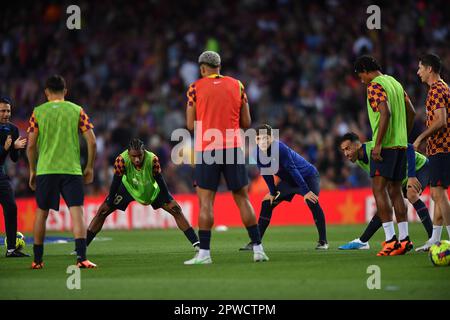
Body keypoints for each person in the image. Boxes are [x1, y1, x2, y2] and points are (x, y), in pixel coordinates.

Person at [184, 51, 269, 264]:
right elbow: (247, 122)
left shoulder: (195, 88)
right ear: (219, 66)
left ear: (203, 68)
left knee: (205, 202)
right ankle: (258, 249)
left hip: (207, 149)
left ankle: (204, 254)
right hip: (233, 147)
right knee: (242, 199)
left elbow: (189, 125)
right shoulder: (238, 86)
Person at [27, 75, 97, 269]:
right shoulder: (77, 110)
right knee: (77, 212)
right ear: (65, 91)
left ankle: (37, 260)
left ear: (46, 92)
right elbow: (92, 141)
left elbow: (31, 145)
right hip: (71, 170)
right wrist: (89, 167)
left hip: (46, 170)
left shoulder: (38, 112)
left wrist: (33, 170)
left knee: (41, 213)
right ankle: (81, 258)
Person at [83, 138, 200, 251]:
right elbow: (116, 181)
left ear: (144, 152)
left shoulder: (152, 159)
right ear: (128, 154)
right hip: (128, 187)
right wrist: (109, 202)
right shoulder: (121, 160)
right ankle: (82, 248)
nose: (137, 159)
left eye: (139, 155)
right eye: (134, 156)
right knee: (102, 212)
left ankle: (197, 244)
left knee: (176, 210)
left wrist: (169, 200)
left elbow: (160, 179)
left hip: (151, 189)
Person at [354, 55, 416, 256]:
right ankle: (405, 239)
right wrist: (403, 135)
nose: (361, 79)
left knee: (379, 189)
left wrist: (378, 143)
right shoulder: (395, 83)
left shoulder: (374, 86)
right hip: (400, 145)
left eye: (360, 75)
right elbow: (412, 112)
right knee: (396, 190)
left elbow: (385, 112)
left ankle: (390, 241)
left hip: (386, 147)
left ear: (365, 70)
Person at [240, 124, 328, 251]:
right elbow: (266, 173)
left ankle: (323, 242)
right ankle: (255, 242)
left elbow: (293, 170)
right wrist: (272, 192)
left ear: (272, 138)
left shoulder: (280, 148)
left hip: (308, 176)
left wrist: (306, 191)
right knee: (267, 203)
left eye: (265, 138)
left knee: (311, 200)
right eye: (258, 138)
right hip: (289, 181)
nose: (262, 142)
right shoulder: (257, 153)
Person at [338, 132, 432, 250]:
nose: (346, 154)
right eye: (343, 151)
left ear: (357, 145)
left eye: (348, 149)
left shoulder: (374, 148)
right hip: (401, 177)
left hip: (419, 167)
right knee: (386, 205)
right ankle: (364, 241)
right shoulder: (358, 159)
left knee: (411, 195)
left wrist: (412, 176)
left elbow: (408, 148)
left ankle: (432, 239)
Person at [414, 53, 450, 251]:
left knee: (439, 194)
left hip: (442, 148)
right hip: (440, 148)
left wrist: (420, 138)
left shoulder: (436, 89)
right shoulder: (443, 87)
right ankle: (435, 240)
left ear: (429, 69)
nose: (418, 72)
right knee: (437, 194)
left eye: (420, 68)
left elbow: (441, 120)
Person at [0, 96, 28, 257]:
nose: (6, 114)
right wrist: (7, 147)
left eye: (8, 111)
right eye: (2, 111)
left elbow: (15, 158)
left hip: (0, 173)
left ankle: (11, 249)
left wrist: (15, 148)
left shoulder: (13, 129)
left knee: (11, 206)